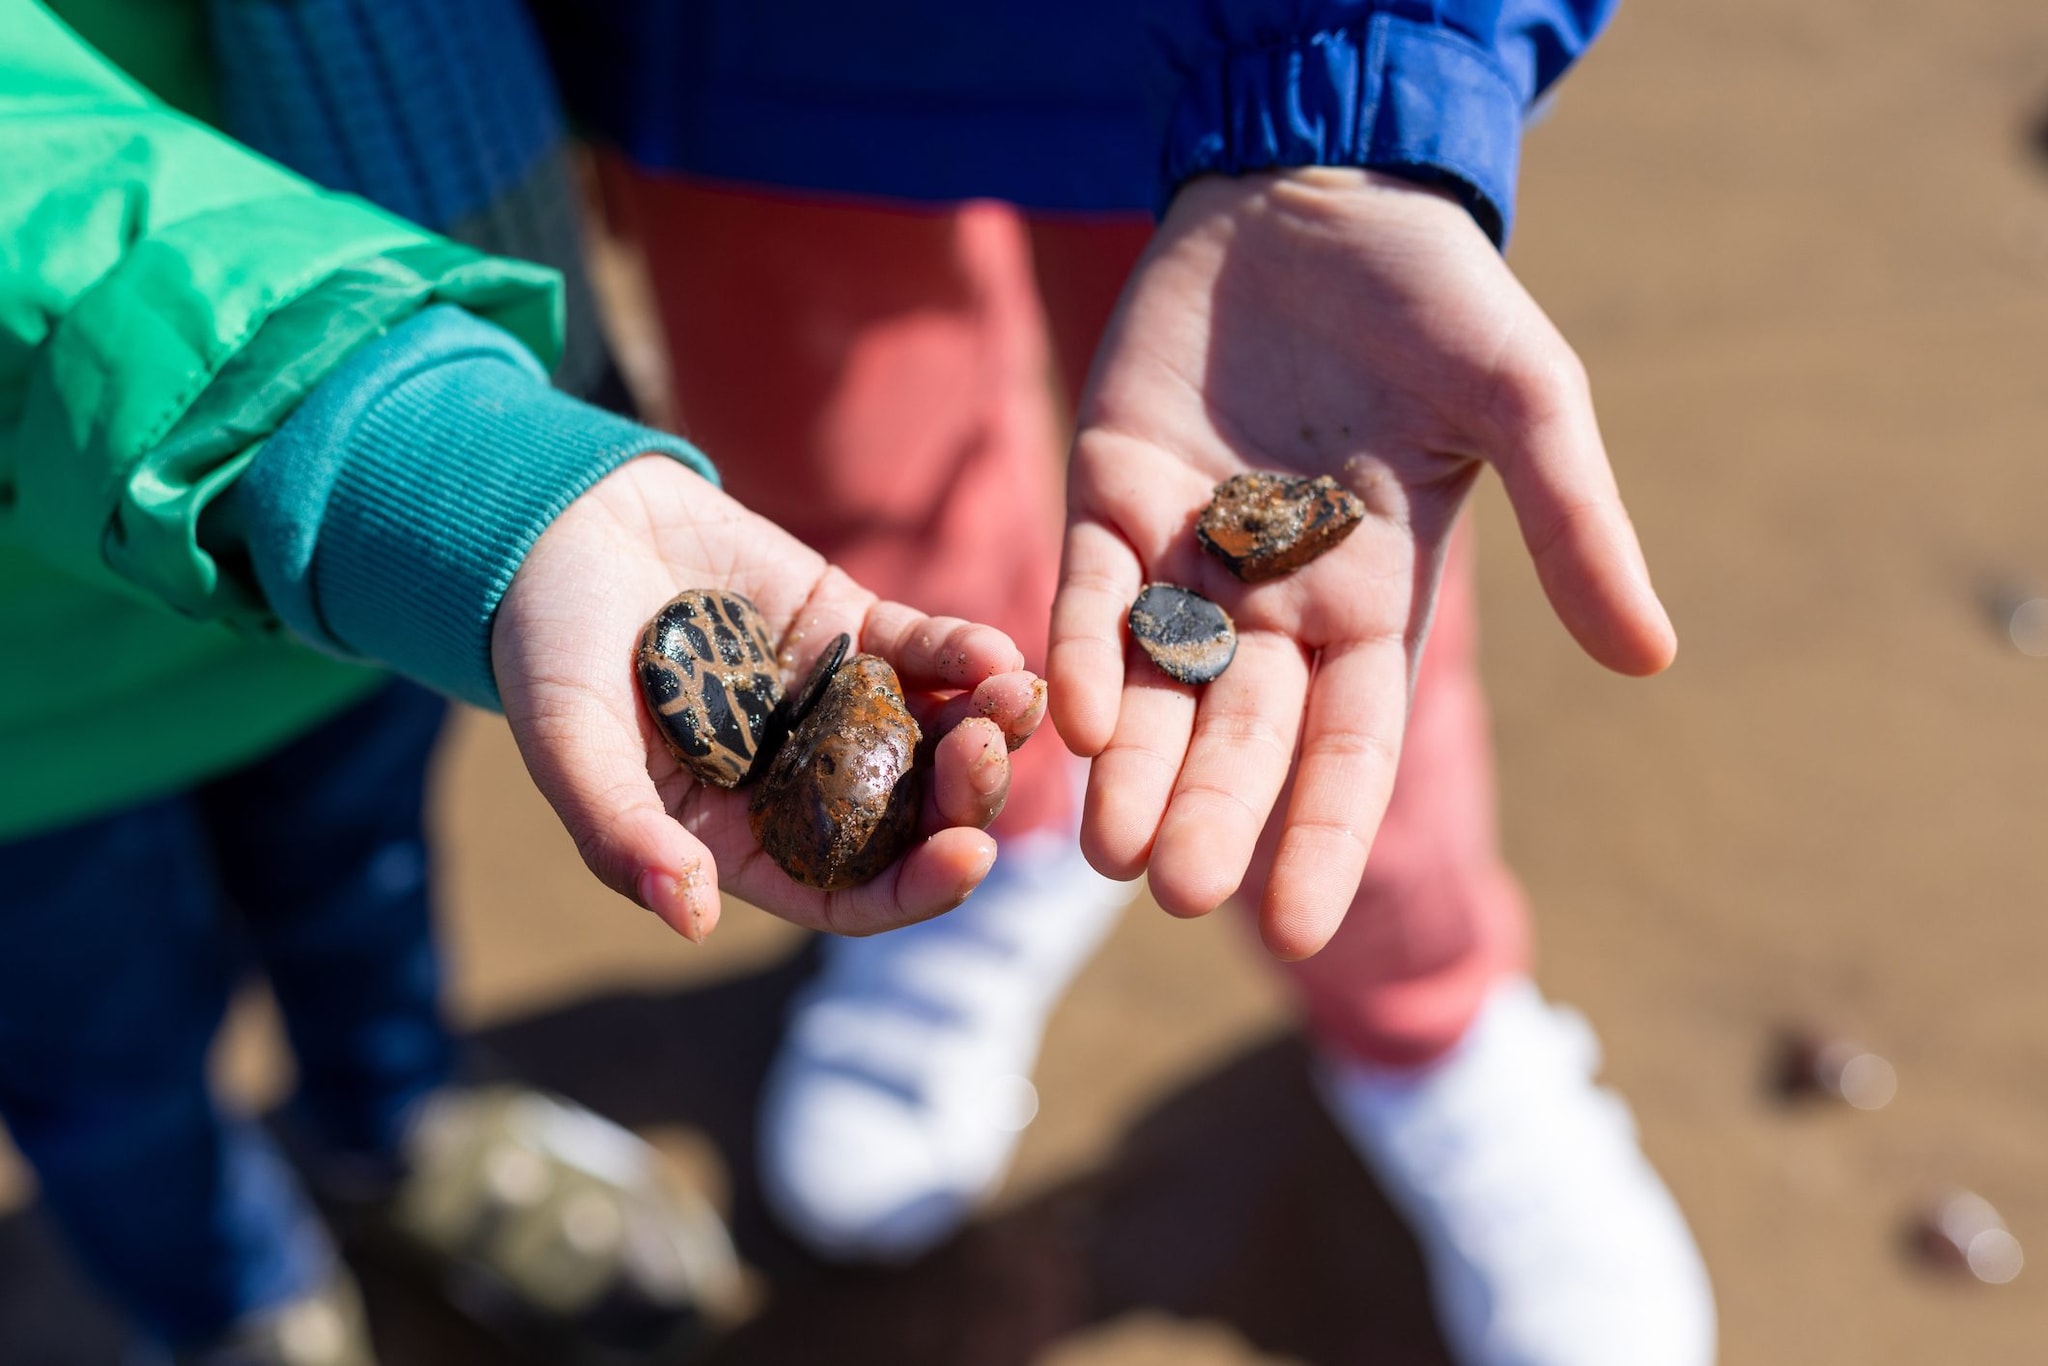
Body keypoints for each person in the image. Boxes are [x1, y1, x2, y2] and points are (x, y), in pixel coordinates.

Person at [544, 1, 1720, 1362]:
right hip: (747, 54)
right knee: (844, 490)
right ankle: (984, 853)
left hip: (1248, 45)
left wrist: (1366, 102)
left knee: (1323, 664)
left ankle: (1430, 1017)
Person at [1, 3, 1044, 1362]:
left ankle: (401, 1128)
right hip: (52, 718)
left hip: (348, 592)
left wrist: (483, 488)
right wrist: (416, 443)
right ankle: (221, 1298)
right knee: (102, 1067)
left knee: (367, 906)